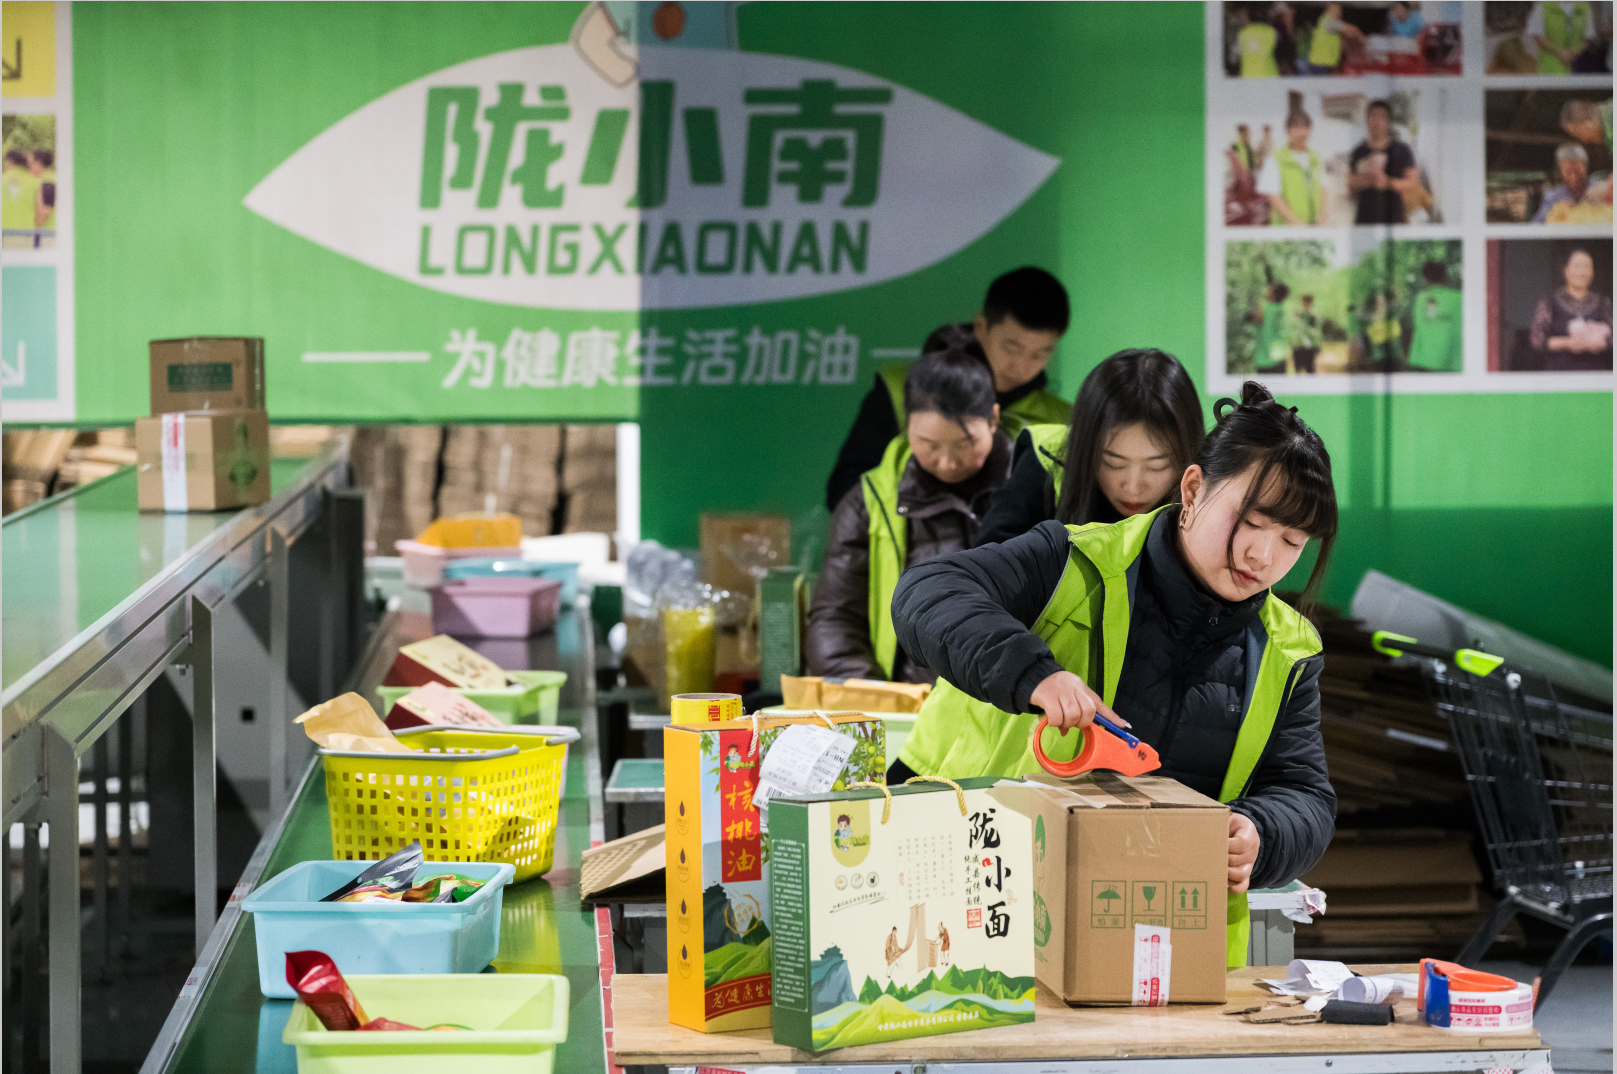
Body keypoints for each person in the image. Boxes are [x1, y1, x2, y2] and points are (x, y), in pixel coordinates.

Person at [889, 382, 1338, 969]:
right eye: (1251, 522)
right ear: (1194, 488)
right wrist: (1035, 675)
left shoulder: (1289, 649)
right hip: (982, 905)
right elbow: (929, 592)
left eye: (1292, 541)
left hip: (1158, 944)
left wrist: (1261, 833)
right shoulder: (1072, 562)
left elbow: (1304, 792)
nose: (1264, 556)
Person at [807, 348, 1012, 684]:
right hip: (910, 715)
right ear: (906, 424)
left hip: (1016, 710)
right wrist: (875, 701)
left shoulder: (1038, 487)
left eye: (965, 443)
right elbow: (835, 618)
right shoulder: (868, 503)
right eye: (928, 444)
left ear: (993, 418)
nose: (947, 461)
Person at [824, 267, 1068, 510]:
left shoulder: (1062, 421)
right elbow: (846, 493)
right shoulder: (901, 389)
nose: (1021, 366)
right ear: (981, 327)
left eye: (1040, 354)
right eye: (1011, 348)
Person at [975, 348, 1204, 546]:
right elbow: (987, 560)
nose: (1133, 487)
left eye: (1157, 466)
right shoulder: (1048, 455)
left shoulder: (1211, 483)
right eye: (1114, 462)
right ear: (1084, 445)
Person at [1530, 247, 1613, 370]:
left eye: (1587, 267)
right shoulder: (1549, 302)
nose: (1582, 272)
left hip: (1596, 375)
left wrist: (1601, 343)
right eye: (1577, 266)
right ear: (1566, 270)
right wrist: (1568, 343)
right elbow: (1537, 339)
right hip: (1560, 376)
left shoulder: (1603, 302)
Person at [1347, 99, 1420, 225]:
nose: (1377, 121)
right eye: (1373, 116)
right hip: (1364, 221)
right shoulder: (1358, 152)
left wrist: (1387, 182)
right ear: (1367, 120)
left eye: (1382, 117)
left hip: (1394, 219)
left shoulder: (1402, 150)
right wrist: (1360, 182)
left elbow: (1413, 182)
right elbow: (1350, 185)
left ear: (1389, 123)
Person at [1258, 110, 1326, 225]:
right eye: (1296, 127)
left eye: (1305, 127)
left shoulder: (1316, 158)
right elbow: (1274, 198)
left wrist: (1322, 215)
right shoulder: (1275, 159)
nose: (1301, 133)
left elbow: (1323, 187)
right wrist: (1296, 223)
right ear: (1287, 131)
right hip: (1287, 233)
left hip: (1313, 227)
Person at [1406, 262, 1463, 372]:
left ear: (1426, 278)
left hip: (1425, 360)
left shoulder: (1420, 299)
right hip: (1453, 362)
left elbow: (1418, 325)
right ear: (1445, 276)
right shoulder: (1459, 298)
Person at [1529, 1, 1597, 74]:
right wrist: (1559, 51)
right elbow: (1537, 35)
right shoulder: (1543, 4)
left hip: (1577, 68)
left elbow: (1588, 38)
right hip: (1549, 69)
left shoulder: (1584, 6)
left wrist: (1573, 52)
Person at [1534, 143, 1595, 223]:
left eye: (1578, 171)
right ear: (1561, 170)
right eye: (1568, 172)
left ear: (1585, 166)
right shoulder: (1552, 198)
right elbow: (1537, 226)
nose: (1573, 177)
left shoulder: (1601, 189)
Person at [1303, 2, 1367, 73]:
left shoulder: (1327, 21)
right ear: (1329, 8)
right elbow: (1351, 29)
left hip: (1322, 63)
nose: (1340, 12)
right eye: (1338, 9)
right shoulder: (1328, 21)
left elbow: (1346, 38)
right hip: (1320, 63)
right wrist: (1362, 38)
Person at [1251, 278, 1291, 372]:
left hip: (1265, 360)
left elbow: (1255, 319)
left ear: (1273, 294)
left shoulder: (1265, 309)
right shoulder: (1283, 308)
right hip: (1280, 357)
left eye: (1270, 289)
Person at [1, 149, 39, 243]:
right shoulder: (36, 182)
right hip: (27, 237)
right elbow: (39, 210)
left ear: (10, 162)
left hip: (4, 237)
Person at [1234, 3, 1280, 76]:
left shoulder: (1242, 34)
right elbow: (1279, 51)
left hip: (1248, 77)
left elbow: (1237, 54)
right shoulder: (1273, 32)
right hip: (1269, 76)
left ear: (1249, 16)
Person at [1365, 291, 1403, 368]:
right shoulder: (1372, 319)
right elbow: (1370, 335)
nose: (1379, 306)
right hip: (1378, 356)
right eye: (1378, 304)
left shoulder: (1392, 318)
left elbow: (1396, 332)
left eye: (1382, 304)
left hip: (1392, 357)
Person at [1290, 295, 1321, 374]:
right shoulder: (1298, 315)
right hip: (1298, 345)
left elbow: (1316, 332)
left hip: (1309, 347)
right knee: (1298, 370)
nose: (1305, 304)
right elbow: (1293, 330)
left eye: (1307, 302)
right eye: (1304, 302)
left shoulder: (1313, 316)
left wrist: (1317, 347)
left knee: (1310, 370)